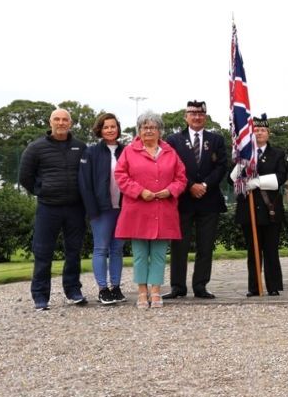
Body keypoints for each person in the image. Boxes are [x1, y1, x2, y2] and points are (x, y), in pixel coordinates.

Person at [114, 111, 188, 308]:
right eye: (145, 127)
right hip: (137, 210)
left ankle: (155, 291)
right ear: (139, 130)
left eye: (153, 127)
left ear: (160, 131)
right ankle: (141, 291)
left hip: (163, 210)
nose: (149, 130)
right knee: (139, 254)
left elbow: (181, 178)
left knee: (159, 254)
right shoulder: (129, 151)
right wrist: (139, 191)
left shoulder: (171, 152)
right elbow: (121, 176)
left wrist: (170, 190)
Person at [19, 107, 88, 310]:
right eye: (56, 119)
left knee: (74, 252)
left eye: (64, 120)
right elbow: (25, 177)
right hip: (48, 208)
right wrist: (41, 190)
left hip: (75, 208)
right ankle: (40, 296)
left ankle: (73, 290)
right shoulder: (35, 148)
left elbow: (87, 175)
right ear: (50, 123)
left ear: (70, 123)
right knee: (43, 252)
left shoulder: (80, 147)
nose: (60, 123)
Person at [166, 100, 229, 300]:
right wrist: (190, 185)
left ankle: (200, 285)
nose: (196, 116)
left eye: (200, 113)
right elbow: (172, 167)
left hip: (209, 200)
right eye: (192, 113)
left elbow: (221, 166)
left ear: (205, 116)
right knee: (179, 246)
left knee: (205, 246)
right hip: (183, 200)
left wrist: (204, 186)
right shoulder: (174, 140)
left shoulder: (216, 139)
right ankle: (177, 286)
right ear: (186, 116)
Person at [233, 114, 287, 296]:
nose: (259, 133)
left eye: (263, 130)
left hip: (269, 208)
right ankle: (254, 287)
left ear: (268, 133)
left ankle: (273, 287)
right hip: (249, 209)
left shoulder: (277, 154)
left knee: (271, 249)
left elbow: (281, 178)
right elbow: (231, 179)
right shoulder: (244, 154)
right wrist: (241, 167)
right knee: (253, 250)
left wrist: (257, 181)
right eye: (256, 130)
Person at [78, 112, 127, 304]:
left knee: (117, 249)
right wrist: (92, 210)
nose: (110, 130)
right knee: (100, 249)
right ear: (100, 129)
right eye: (106, 127)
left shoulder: (127, 151)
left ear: (118, 128)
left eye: (113, 126)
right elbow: (84, 184)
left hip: (123, 208)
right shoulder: (91, 152)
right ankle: (102, 289)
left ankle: (116, 287)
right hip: (101, 209)